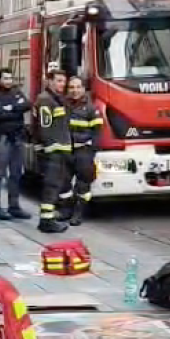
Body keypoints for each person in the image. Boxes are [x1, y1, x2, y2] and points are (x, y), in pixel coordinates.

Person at [0, 68, 32, 221]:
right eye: (5, 78)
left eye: (10, 78)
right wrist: (16, 109)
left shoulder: (16, 92)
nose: (8, 81)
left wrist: (11, 108)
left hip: (18, 137)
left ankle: (14, 206)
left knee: (16, 173)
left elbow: (27, 104)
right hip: (3, 138)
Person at [34, 70, 73, 234]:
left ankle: (54, 216)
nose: (62, 84)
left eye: (63, 81)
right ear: (49, 81)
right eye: (58, 80)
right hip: (53, 150)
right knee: (51, 185)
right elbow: (45, 127)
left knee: (58, 184)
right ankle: (46, 221)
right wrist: (49, 147)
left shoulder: (57, 99)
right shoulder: (45, 100)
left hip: (60, 149)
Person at [61, 76, 102, 226]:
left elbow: (97, 133)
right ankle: (66, 211)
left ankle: (78, 213)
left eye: (78, 87)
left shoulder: (91, 108)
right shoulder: (62, 106)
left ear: (83, 89)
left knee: (83, 185)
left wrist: (91, 152)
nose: (75, 90)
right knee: (63, 182)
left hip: (83, 151)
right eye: (72, 87)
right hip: (66, 150)